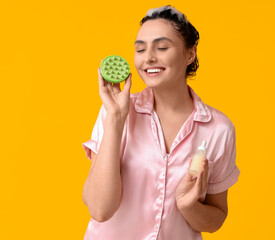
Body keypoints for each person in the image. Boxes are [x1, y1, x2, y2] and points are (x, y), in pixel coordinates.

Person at [81, 5, 240, 240]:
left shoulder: (218, 129)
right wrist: (116, 119)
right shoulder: (114, 112)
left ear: (190, 54)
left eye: (162, 47)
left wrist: (188, 206)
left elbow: (216, 218)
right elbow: (99, 209)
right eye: (140, 49)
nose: (149, 58)